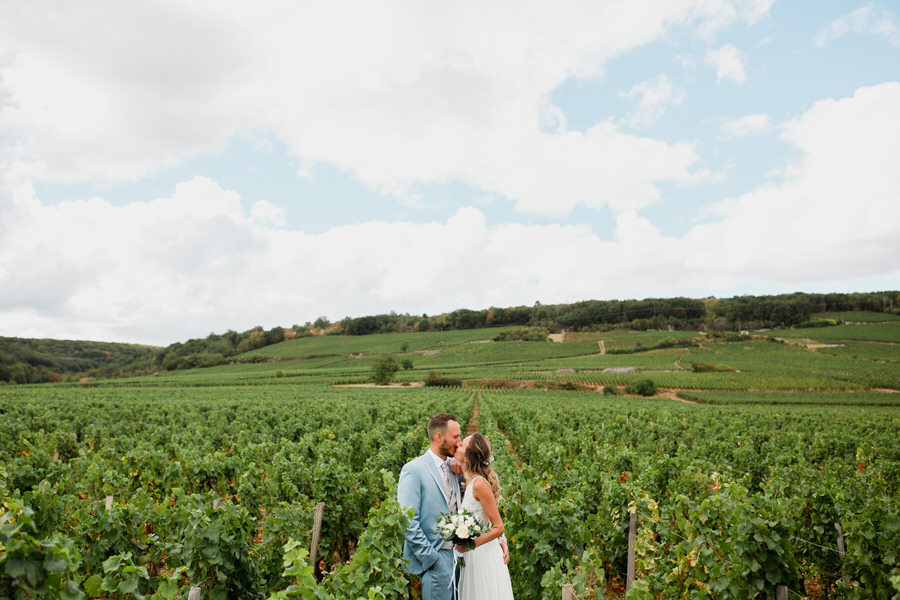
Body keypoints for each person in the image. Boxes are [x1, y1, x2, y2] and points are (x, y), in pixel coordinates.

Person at [398, 413, 462, 600]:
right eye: (455, 436)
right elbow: (407, 519)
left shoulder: (454, 468)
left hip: (459, 557)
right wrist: (431, 558)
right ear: (439, 437)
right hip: (436, 557)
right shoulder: (414, 469)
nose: (459, 442)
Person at [456, 432, 515, 600]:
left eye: (462, 446)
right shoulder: (466, 479)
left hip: (481, 555)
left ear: (468, 457)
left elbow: (498, 526)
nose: (458, 446)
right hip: (470, 556)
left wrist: (472, 544)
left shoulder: (479, 484)